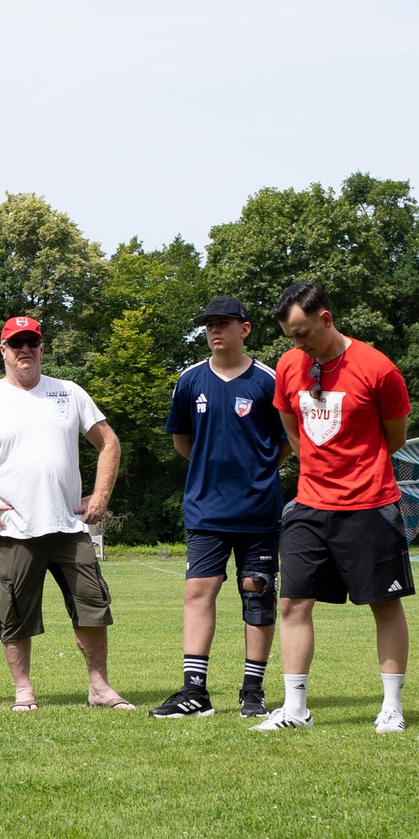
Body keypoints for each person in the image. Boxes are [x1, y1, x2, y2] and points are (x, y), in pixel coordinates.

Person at [0, 315, 132, 711]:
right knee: (15, 612)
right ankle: (24, 691)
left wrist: (100, 495)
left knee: (92, 606)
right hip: (14, 528)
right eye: (16, 343)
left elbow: (109, 442)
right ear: (3, 350)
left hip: (69, 524)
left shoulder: (69, 392)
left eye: (32, 342)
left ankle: (99, 689)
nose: (24, 349)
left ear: (42, 348)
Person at [259, 282, 414, 733]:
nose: (297, 344)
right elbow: (293, 429)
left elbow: (395, 437)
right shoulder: (289, 365)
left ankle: (391, 708)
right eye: (290, 336)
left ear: (325, 318)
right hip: (309, 504)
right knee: (292, 603)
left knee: (384, 604)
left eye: (303, 333)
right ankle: (295, 710)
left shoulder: (378, 368)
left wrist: (355, 470)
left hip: (370, 503)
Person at [152, 296, 284, 719]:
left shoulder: (268, 380)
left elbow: (285, 443)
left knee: (257, 591)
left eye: (223, 323)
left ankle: (253, 691)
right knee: (198, 591)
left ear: (244, 329)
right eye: (209, 324)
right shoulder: (190, 380)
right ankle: (195, 692)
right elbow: (182, 441)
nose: (214, 330)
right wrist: (214, 470)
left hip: (258, 508)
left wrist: (254, 472)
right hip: (206, 508)